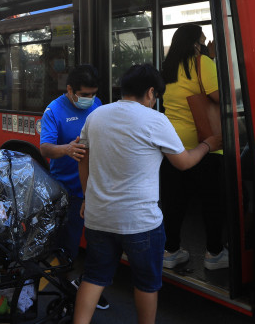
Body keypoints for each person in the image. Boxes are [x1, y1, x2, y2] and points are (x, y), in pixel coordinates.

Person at [73, 64, 222, 324]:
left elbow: (81, 158)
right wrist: (207, 144)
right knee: (146, 284)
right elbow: (183, 162)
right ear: (151, 93)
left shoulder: (97, 115)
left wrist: (88, 196)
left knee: (94, 277)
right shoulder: (155, 120)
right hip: (140, 223)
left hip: (98, 217)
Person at [39, 64, 109, 309]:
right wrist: (67, 149)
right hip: (67, 191)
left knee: (97, 245)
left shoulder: (98, 104)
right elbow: (45, 148)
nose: (90, 99)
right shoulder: (54, 111)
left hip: (94, 189)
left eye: (93, 94)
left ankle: (90, 288)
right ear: (70, 90)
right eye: (84, 95)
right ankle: (64, 291)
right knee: (67, 246)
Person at [160, 24, 228, 270]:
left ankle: (170, 250)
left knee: (176, 200)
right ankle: (214, 253)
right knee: (212, 201)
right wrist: (212, 59)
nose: (205, 43)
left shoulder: (168, 67)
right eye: (203, 39)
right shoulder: (202, 63)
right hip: (205, 142)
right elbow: (221, 97)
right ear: (194, 43)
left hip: (172, 143)